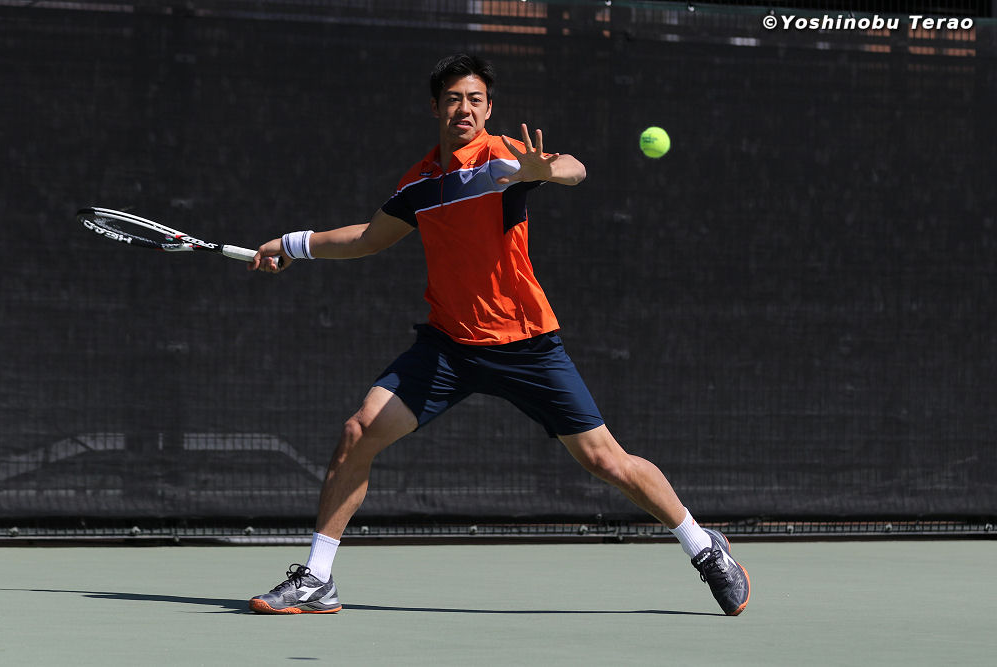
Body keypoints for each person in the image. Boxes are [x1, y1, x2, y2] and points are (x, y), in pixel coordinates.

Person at [246, 54, 749, 616]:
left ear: (488, 109)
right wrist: (291, 245)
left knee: (605, 460)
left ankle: (704, 547)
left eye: (475, 100)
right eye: (453, 99)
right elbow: (367, 237)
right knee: (359, 431)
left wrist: (543, 171)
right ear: (435, 107)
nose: (464, 109)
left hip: (526, 345)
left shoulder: (504, 158)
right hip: (448, 348)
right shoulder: (420, 182)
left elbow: (574, 168)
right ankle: (317, 579)